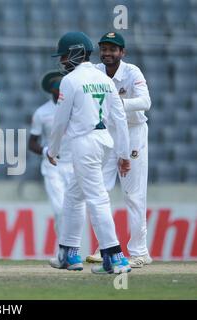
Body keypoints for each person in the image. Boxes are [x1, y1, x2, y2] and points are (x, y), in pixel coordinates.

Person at [47, 31, 132, 274]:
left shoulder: (71, 80)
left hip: (84, 144)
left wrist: (52, 149)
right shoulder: (104, 79)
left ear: (75, 53)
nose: (62, 61)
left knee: (96, 198)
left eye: (64, 56)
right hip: (104, 143)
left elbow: (60, 121)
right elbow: (119, 119)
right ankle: (68, 254)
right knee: (74, 196)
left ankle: (114, 257)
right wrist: (123, 154)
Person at [85, 32, 152, 268]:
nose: (107, 53)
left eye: (112, 49)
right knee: (100, 192)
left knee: (132, 194)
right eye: (103, 49)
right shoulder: (94, 72)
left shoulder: (132, 72)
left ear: (122, 53)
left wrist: (117, 103)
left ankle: (140, 252)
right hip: (107, 135)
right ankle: (106, 246)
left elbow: (146, 102)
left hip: (133, 134)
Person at [28, 71, 73, 236]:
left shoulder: (76, 108)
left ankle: (67, 247)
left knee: (73, 210)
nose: (61, 90)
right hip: (52, 166)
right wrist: (47, 151)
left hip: (74, 164)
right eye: (58, 87)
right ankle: (64, 249)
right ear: (52, 90)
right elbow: (32, 143)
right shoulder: (42, 113)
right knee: (60, 208)